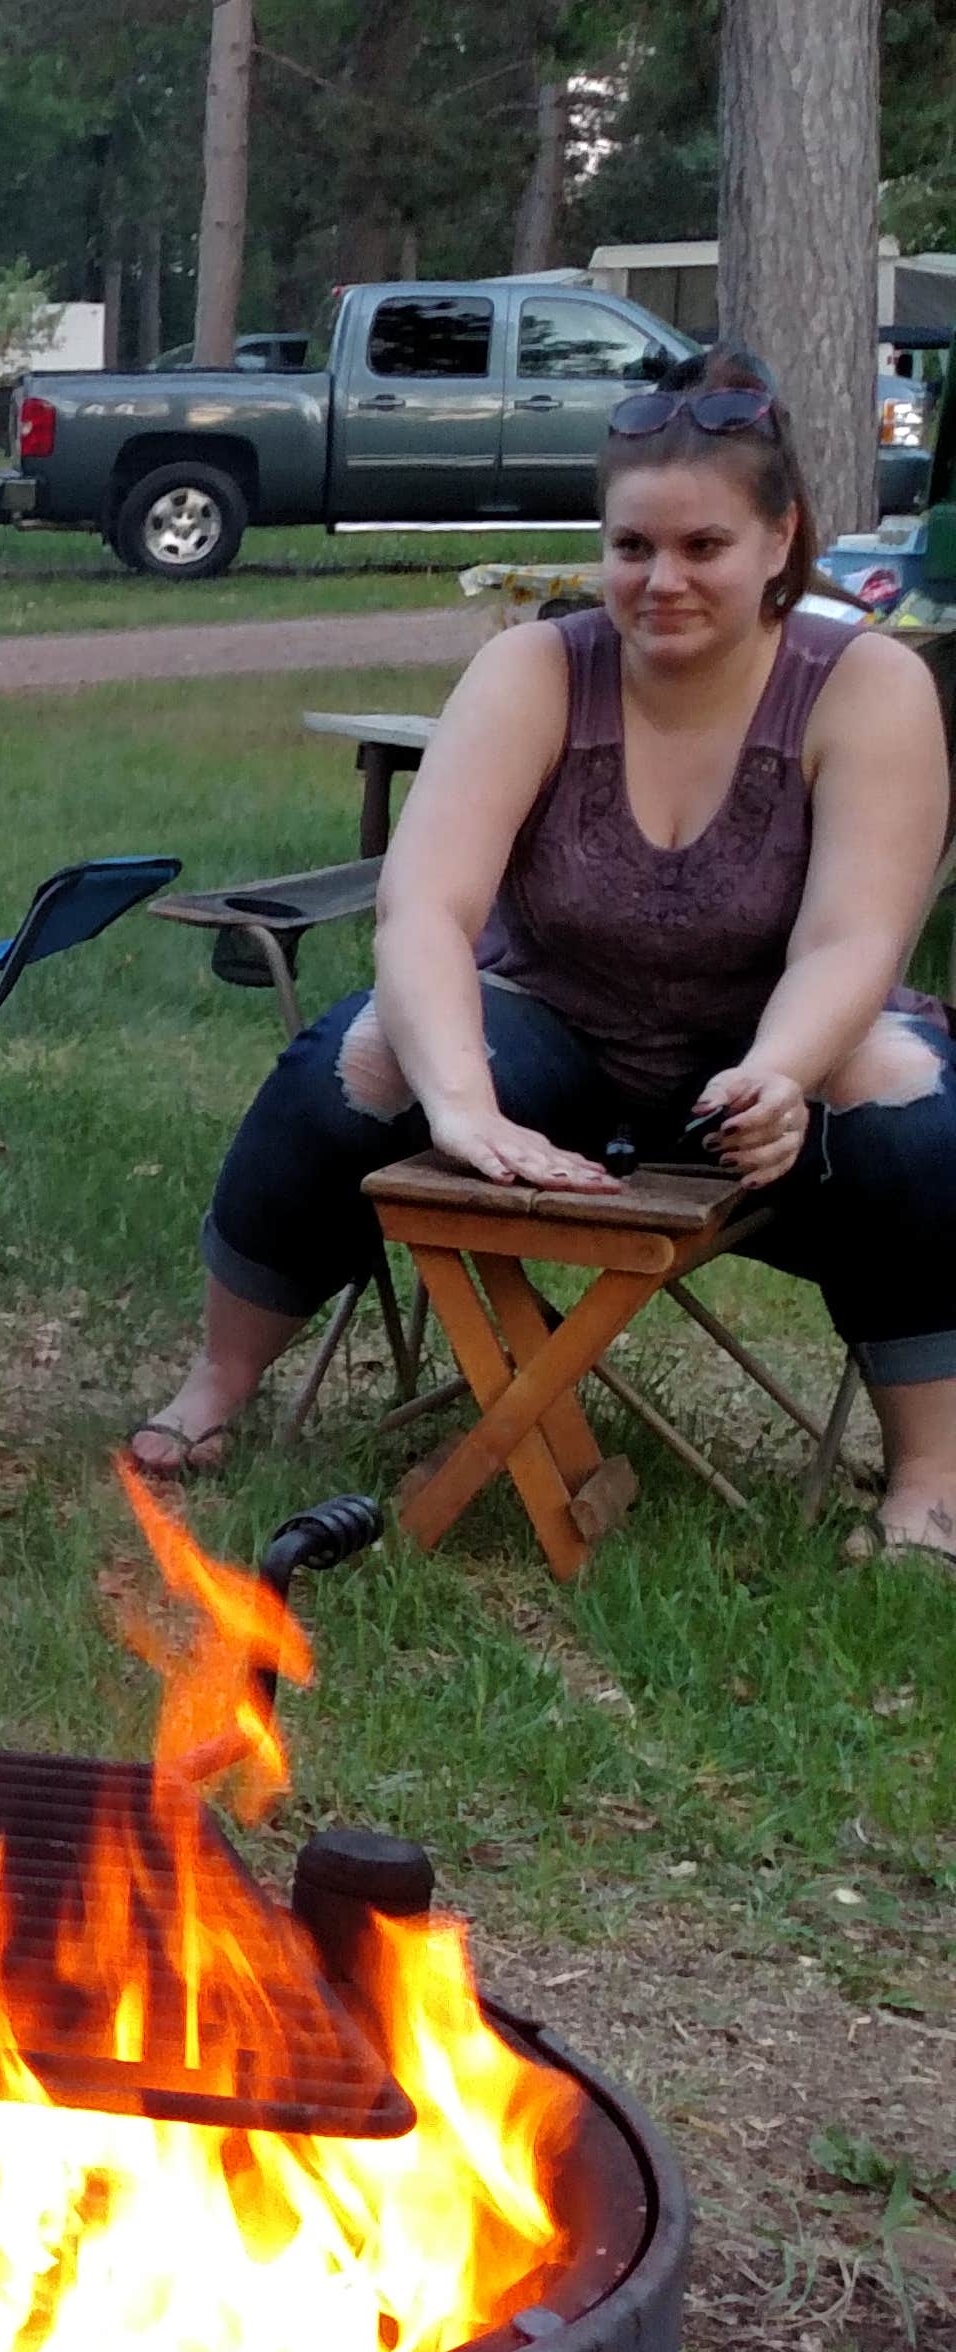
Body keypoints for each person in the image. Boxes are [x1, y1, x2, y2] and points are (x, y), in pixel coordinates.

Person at [132, 352, 956, 1558]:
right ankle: (217, 1380)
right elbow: (424, 908)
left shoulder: (864, 685)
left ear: (781, 539)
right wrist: (462, 1104)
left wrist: (782, 1072)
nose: (661, 581)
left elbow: (854, 937)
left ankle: (932, 1473)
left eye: (704, 547)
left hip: (775, 1054)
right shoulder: (538, 670)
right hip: (560, 1037)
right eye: (632, 547)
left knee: (906, 1090)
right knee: (367, 1054)